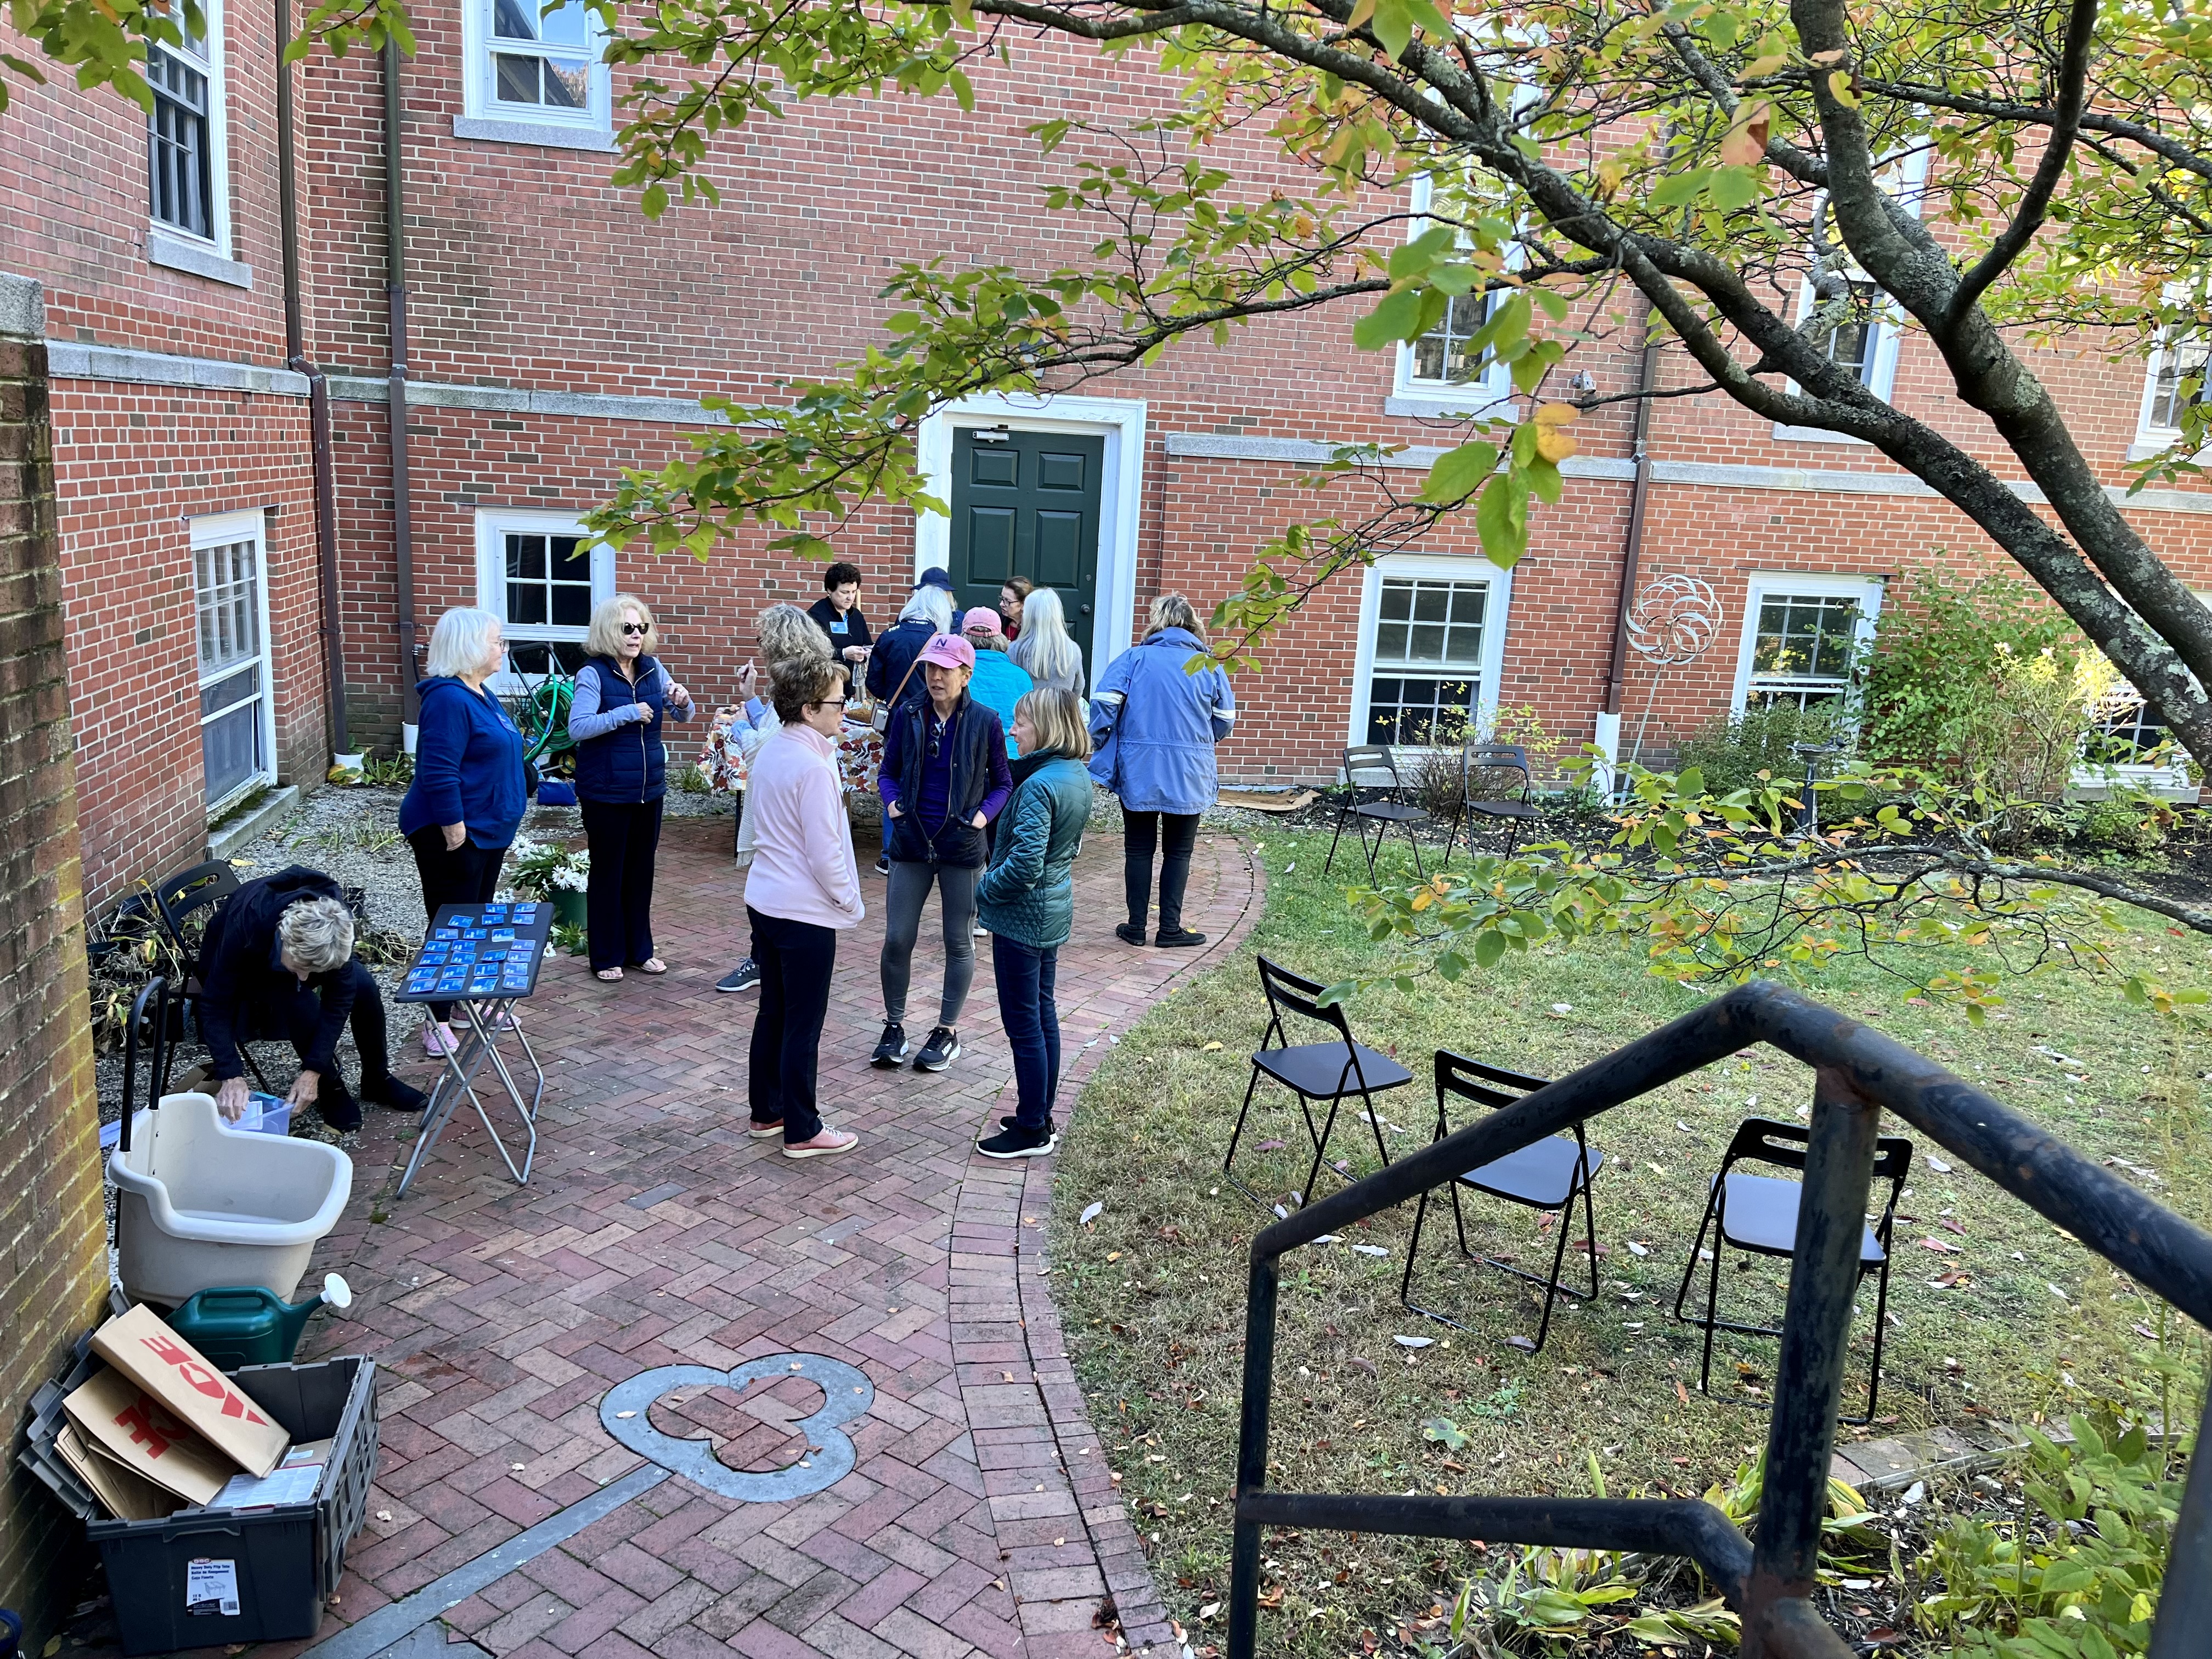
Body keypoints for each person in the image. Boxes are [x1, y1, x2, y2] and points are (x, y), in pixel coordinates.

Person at [742, 653, 865, 1158]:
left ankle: (767, 1111)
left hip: (766, 900)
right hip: (803, 910)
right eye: (838, 702)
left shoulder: (773, 749)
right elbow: (824, 852)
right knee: (803, 1022)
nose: (845, 709)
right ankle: (802, 1128)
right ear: (810, 708)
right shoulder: (813, 766)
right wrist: (849, 900)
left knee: (773, 1010)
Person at [873, 633, 1012, 1073]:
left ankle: (947, 1031)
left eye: (945, 669)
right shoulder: (908, 714)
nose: (935, 677)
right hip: (912, 841)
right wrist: (893, 805)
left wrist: (981, 819)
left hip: (961, 845)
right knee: (898, 938)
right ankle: (894, 1026)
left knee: (958, 940)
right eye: (931, 668)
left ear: (966, 675)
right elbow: (887, 772)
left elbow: (1003, 783)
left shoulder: (986, 721)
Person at [197, 868, 426, 1131]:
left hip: (291, 952)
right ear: (285, 941)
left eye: (312, 970)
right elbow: (215, 1004)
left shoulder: (334, 924)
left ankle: (377, 1078)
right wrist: (230, 1074)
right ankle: (332, 1088)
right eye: (300, 967)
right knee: (299, 999)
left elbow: (340, 999)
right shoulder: (246, 924)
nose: (305, 977)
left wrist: (312, 1070)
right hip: (249, 965)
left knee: (364, 985)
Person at [399, 607, 530, 1054]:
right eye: (498, 641)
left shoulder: (480, 693)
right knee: (450, 926)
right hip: (455, 833)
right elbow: (438, 771)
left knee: (475, 922)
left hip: (488, 829)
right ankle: (434, 1020)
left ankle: (462, 1003)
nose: (503, 649)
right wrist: (454, 829)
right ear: (471, 647)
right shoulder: (447, 700)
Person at [974, 690, 1093, 1159]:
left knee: (1024, 1023)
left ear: (1044, 727)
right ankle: (1039, 1115)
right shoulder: (1074, 773)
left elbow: (1024, 866)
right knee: (1042, 1015)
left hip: (1023, 919)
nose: (1012, 731)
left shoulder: (1040, 786)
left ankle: (1031, 1130)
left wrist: (984, 888)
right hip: (1050, 909)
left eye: (1020, 723)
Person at [1089, 594, 1235, 949]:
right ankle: (1170, 929)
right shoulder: (1207, 665)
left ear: (1156, 623)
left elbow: (1104, 704)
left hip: (1139, 767)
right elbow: (1225, 720)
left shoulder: (1133, 659)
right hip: (1190, 771)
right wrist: (1200, 741)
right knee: (1179, 852)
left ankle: (1136, 927)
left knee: (1138, 849)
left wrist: (1103, 739)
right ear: (1193, 625)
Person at [568, 594, 696, 984]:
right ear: (610, 631)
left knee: (641, 872)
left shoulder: (653, 668)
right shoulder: (592, 674)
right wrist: (627, 713)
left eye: (642, 627)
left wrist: (683, 701)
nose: (637, 635)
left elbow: (683, 715)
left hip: (648, 789)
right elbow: (578, 727)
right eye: (628, 628)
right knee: (609, 873)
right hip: (606, 792)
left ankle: (640, 952)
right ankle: (605, 956)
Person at [712, 603, 836, 994]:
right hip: (784, 795)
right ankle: (765, 958)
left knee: (781, 873)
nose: (760, 646)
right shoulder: (797, 678)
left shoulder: (802, 681)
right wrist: (750, 698)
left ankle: (764, 960)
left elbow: (763, 749)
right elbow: (772, 730)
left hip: (785, 799)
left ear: (780, 641)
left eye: (763, 638)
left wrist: (740, 728)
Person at [865, 580, 955, 718]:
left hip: (895, 715)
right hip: (927, 717)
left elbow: (873, 681)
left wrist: (892, 695)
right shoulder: (940, 641)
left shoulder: (889, 636)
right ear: (942, 612)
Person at [961, 608, 1034, 757]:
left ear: (964, 637)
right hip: (1013, 755)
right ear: (1000, 637)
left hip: (969, 755)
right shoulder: (1021, 676)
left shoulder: (958, 675)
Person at [1008, 586, 1086, 698]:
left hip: (1025, 709)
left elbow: (1010, 689)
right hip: (1061, 709)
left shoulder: (1014, 650)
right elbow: (1078, 689)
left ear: (1028, 615)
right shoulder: (1073, 650)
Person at [807, 561, 872, 675]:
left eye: (854, 592)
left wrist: (867, 652)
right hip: (826, 680)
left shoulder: (856, 615)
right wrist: (843, 653)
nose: (851, 598)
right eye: (845, 592)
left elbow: (867, 644)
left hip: (851, 682)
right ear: (830, 590)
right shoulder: (815, 616)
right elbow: (812, 653)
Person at [998, 575, 1033, 642]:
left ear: (1023, 604)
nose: (1001, 604)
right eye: (1002, 598)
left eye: (1008, 601)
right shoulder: (998, 621)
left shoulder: (1032, 630)